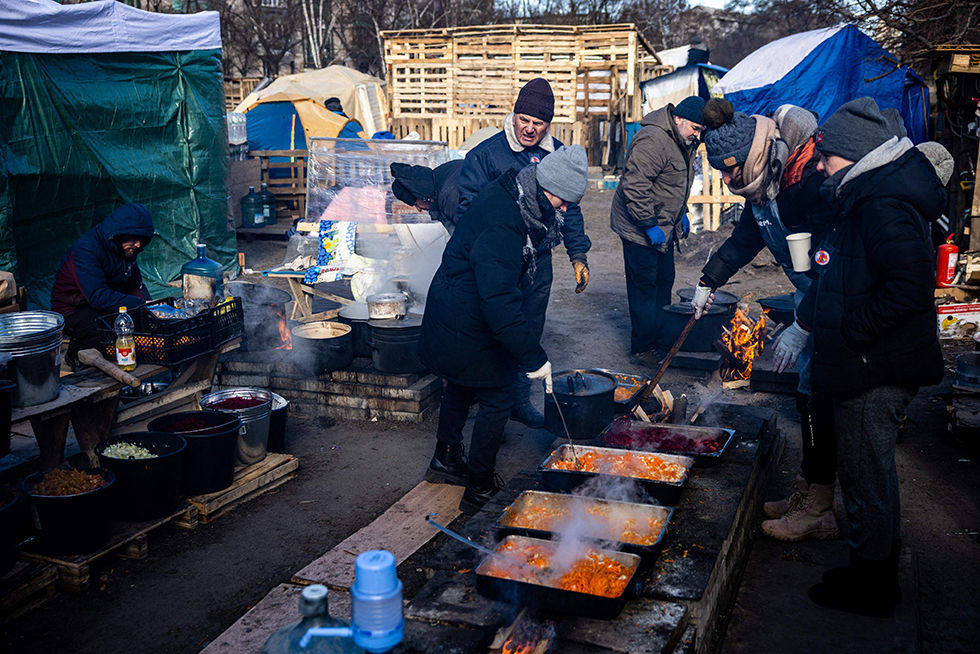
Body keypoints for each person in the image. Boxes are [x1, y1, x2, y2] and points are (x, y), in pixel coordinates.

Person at [772, 98, 947, 617]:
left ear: (855, 155)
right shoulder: (865, 194)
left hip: (878, 367)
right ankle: (868, 567)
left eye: (828, 157)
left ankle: (873, 587)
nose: (820, 164)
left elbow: (911, 288)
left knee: (869, 477)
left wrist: (849, 332)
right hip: (868, 361)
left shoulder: (882, 204)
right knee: (865, 472)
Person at [694, 99, 840, 542]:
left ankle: (820, 508)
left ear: (750, 159)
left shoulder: (808, 183)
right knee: (807, 394)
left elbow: (835, 271)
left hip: (834, 305)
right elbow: (745, 238)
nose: (723, 180)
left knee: (821, 399)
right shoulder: (766, 182)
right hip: (810, 298)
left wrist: (804, 324)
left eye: (728, 171)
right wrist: (709, 279)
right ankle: (808, 492)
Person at [419, 145, 589, 515]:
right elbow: (498, 301)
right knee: (497, 395)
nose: (563, 210)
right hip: (465, 316)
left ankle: (445, 459)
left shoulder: (515, 192)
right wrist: (533, 356)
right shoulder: (503, 221)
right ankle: (479, 485)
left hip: (458, 309)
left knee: (462, 386)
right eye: (563, 202)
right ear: (547, 185)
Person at [456, 78, 592, 428]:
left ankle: (517, 401)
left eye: (539, 123)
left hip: (539, 261)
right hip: (499, 264)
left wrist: (578, 254)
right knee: (494, 329)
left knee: (528, 331)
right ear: (513, 115)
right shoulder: (485, 155)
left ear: (549, 124)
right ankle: (491, 412)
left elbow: (570, 210)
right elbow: (466, 212)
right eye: (524, 120)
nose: (530, 129)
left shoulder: (557, 155)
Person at [609, 96, 705, 367]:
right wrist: (649, 224)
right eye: (695, 129)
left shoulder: (685, 140)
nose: (697, 135)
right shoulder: (653, 140)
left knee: (665, 280)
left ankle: (660, 340)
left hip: (664, 222)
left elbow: (676, 183)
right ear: (678, 119)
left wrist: (682, 212)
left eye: (700, 130)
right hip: (638, 226)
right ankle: (642, 348)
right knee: (644, 287)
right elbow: (635, 186)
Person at [51, 203, 155, 369]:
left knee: (143, 323)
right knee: (111, 332)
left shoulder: (126, 250)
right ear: (119, 234)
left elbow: (135, 285)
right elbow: (97, 296)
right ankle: (76, 352)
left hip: (109, 307)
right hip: (73, 310)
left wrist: (152, 309)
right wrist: (141, 305)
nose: (138, 245)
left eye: (141, 239)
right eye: (134, 238)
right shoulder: (86, 250)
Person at [390, 160, 464, 235]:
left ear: (421, 195)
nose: (419, 209)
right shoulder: (441, 174)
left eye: (416, 204)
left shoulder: (447, 197)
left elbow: (467, 232)